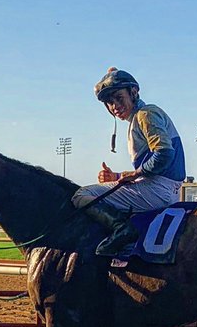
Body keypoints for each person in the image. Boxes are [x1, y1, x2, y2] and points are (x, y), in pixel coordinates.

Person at [73, 68, 187, 256]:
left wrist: (136, 173)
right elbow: (153, 164)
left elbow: (164, 154)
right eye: (109, 102)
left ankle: (122, 230)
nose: (115, 106)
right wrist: (117, 176)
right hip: (163, 188)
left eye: (119, 98)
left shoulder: (145, 114)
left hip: (158, 191)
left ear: (134, 92)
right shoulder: (140, 116)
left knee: (81, 195)